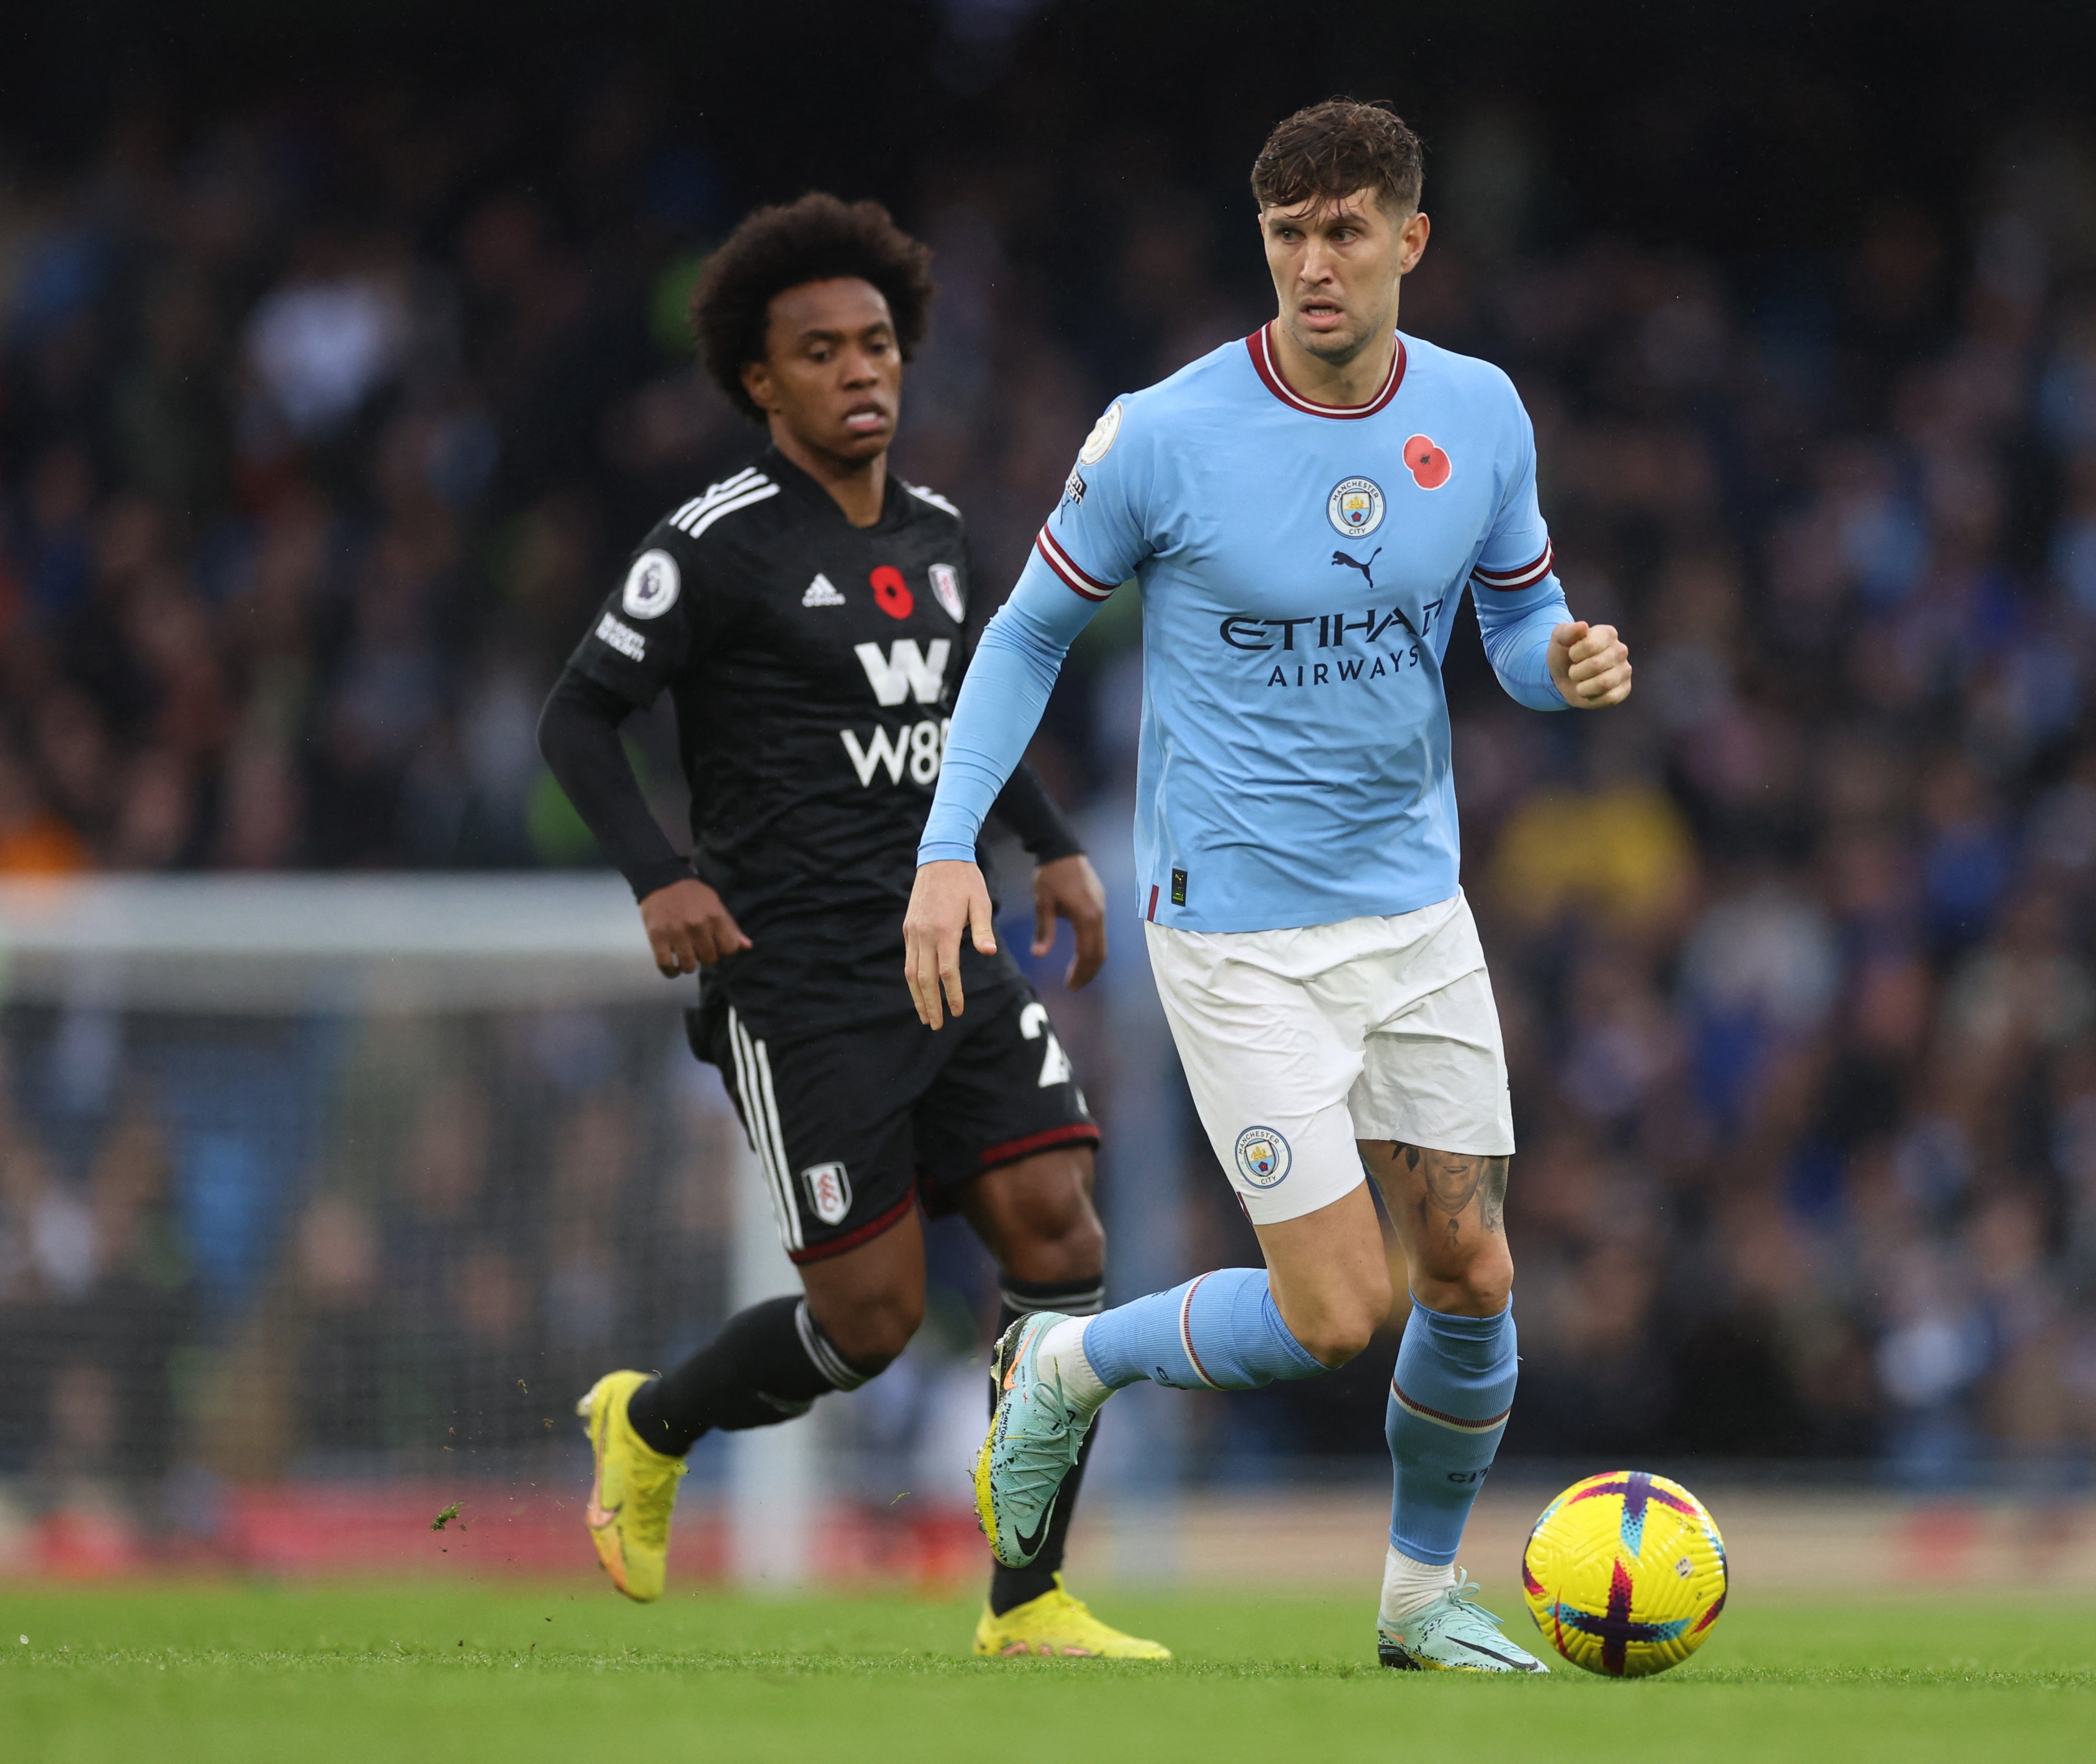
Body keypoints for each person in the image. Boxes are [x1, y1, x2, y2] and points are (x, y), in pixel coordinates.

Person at [904, 101, 1633, 1671]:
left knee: (1476, 1271)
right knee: (1332, 1312)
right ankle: (1062, 1367)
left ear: (1410, 242)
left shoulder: (1483, 415)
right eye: (1290, 235)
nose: (1316, 264)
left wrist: (1567, 668)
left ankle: (1419, 1600)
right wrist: (946, 847)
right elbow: (1026, 631)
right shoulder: (1161, 434)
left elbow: (1516, 624)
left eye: (1348, 231)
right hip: (1237, 926)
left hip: (1417, 911)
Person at [540, 193, 1164, 1659]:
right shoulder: (713, 544)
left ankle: (1029, 1595)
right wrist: (659, 873)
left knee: (1056, 1220)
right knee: (870, 1319)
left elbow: (964, 720)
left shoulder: (946, 535)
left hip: (948, 937)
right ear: (761, 381)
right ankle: (652, 1420)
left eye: (877, 341)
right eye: (819, 351)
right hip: (797, 976)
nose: (859, 369)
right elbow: (578, 717)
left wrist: (1054, 852)